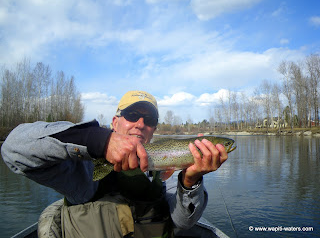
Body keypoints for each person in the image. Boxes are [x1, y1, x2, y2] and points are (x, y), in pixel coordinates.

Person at [1, 90, 228, 238]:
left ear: (154, 130)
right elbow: (13, 150)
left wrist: (190, 181)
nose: (140, 124)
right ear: (114, 122)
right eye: (131, 115)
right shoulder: (84, 167)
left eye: (149, 120)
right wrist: (98, 140)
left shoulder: (162, 172)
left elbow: (183, 222)